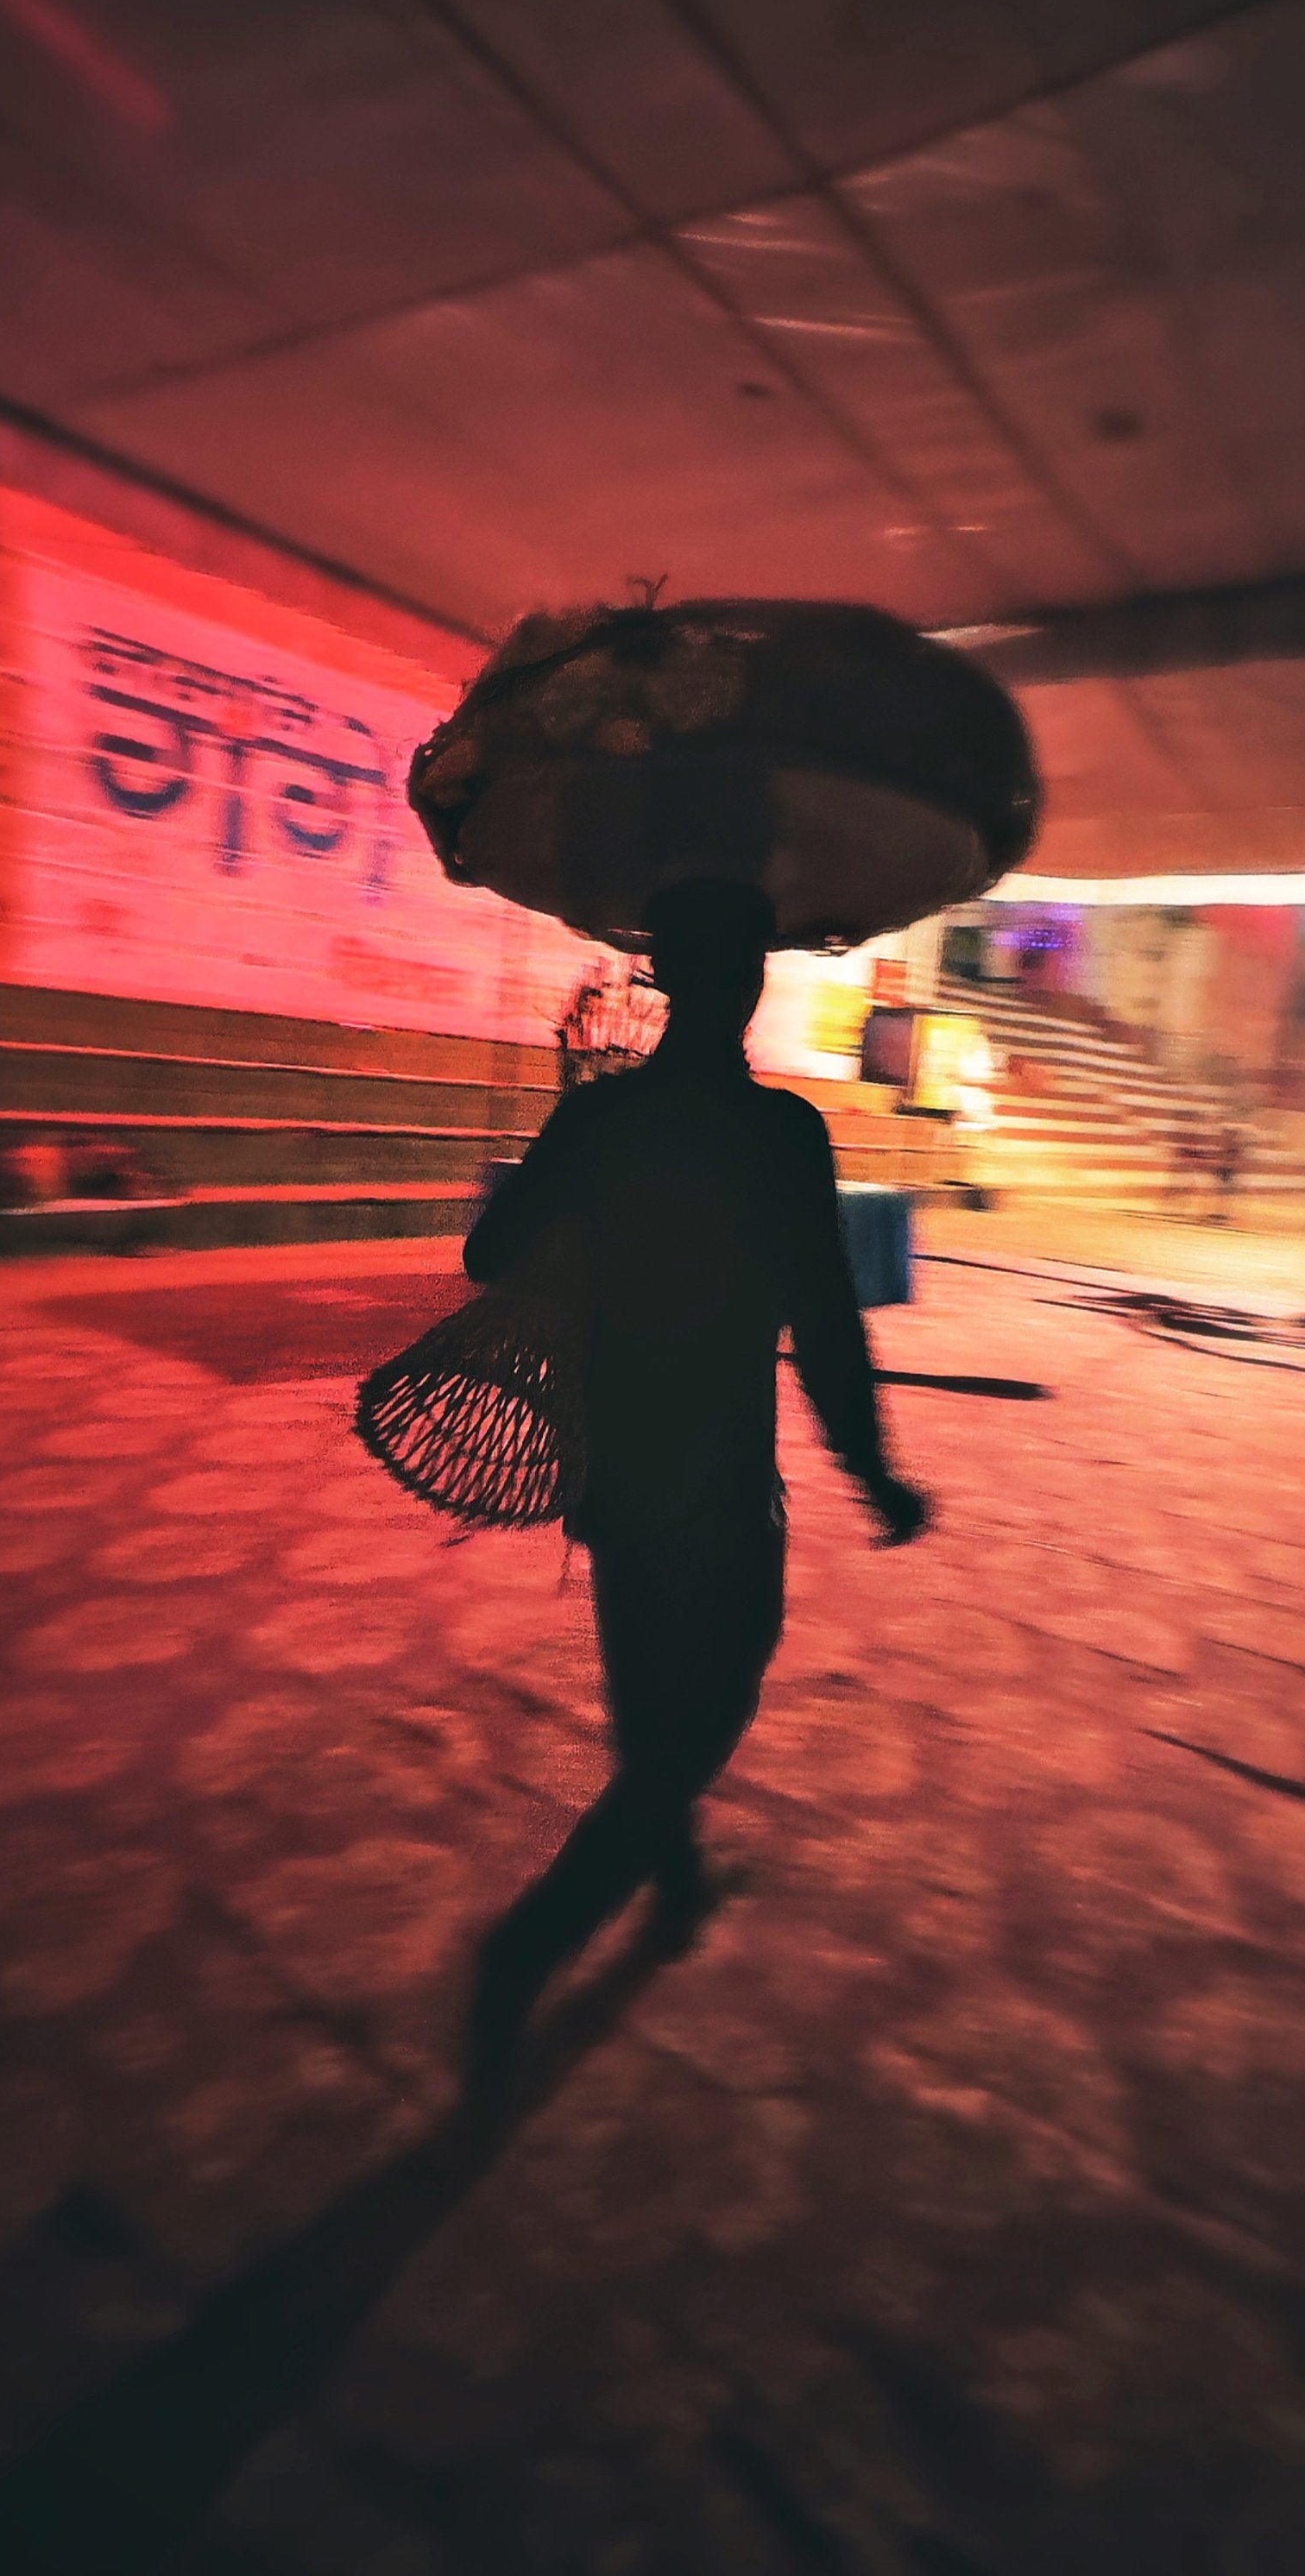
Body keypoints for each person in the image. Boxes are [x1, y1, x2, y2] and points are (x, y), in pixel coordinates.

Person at [460, 879, 930, 2077]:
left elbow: (488, 1253)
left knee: (644, 1694)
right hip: (723, 1470)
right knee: (706, 1711)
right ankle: (534, 1942)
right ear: (752, 987)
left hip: (614, 1462)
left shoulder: (602, 1121)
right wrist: (873, 1474)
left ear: (664, 979)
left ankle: (669, 1886)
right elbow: (827, 1325)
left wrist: (576, 1158)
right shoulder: (780, 1136)